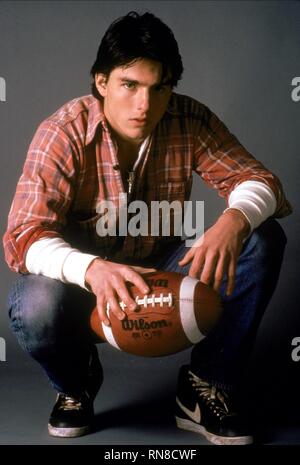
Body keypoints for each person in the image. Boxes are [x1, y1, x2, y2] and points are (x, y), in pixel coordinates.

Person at [3, 11, 291, 445]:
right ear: (101, 82)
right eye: (129, 85)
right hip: (84, 287)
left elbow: (260, 181)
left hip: (165, 268)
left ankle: (204, 385)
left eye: (160, 88)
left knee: (262, 235)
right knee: (34, 305)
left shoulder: (187, 119)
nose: (145, 104)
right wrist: (93, 269)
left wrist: (234, 219)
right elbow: (23, 238)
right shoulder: (61, 132)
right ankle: (75, 385)